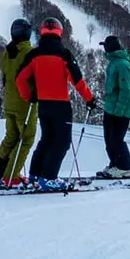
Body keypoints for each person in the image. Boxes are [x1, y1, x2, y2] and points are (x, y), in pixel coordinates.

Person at [15, 17, 98, 188]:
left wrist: (29, 96)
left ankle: (35, 175)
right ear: (59, 32)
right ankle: (49, 177)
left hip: (43, 105)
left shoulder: (34, 54)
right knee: (61, 142)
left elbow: (20, 79)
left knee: (46, 139)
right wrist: (89, 99)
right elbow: (78, 81)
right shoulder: (64, 54)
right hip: (61, 105)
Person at [0, 18, 37, 186]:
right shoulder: (30, 53)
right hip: (24, 103)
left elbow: (4, 78)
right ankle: (12, 175)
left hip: (8, 102)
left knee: (10, 137)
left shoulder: (7, 53)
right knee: (27, 138)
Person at [98, 35, 130, 178]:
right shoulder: (113, 63)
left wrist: (119, 111)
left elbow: (126, 90)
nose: (104, 49)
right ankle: (115, 164)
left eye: (105, 46)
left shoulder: (122, 64)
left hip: (120, 111)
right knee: (109, 139)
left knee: (117, 139)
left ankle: (124, 167)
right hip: (111, 108)